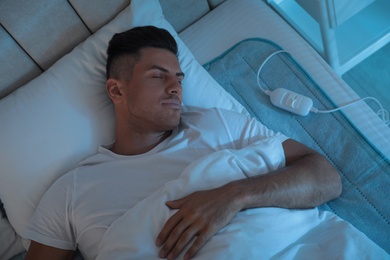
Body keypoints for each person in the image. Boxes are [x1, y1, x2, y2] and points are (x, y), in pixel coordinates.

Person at [25, 26, 341, 260]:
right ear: (117, 91)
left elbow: (326, 179)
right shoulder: (71, 192)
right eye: (158, 76)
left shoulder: (218, 123)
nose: (176, 88)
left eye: (179, 78)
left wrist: (231, 197)